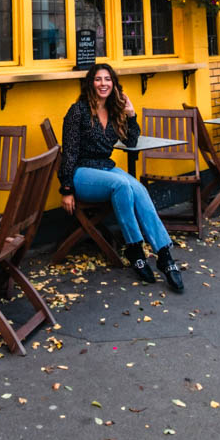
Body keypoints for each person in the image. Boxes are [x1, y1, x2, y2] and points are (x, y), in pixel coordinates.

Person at [58, 63, 184, 293]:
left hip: (105, 168)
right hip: (81, 173)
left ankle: (164, 255)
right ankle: (135, 249)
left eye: (108, 79)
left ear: (114, 84)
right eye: (98, 79)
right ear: (90, 83)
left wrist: (131, 115)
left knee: (137, 188)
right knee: (122, 184)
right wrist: (66, 189)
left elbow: (131, 142)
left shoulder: (115, 111)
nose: (103, 83)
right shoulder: (78, 111)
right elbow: (69, 153)